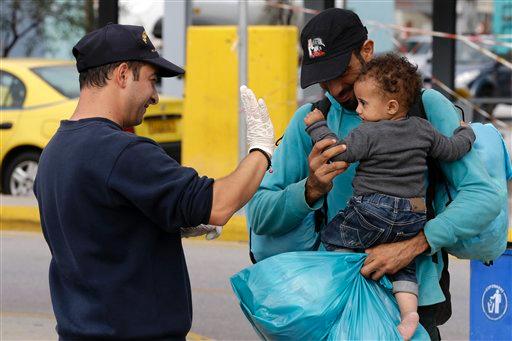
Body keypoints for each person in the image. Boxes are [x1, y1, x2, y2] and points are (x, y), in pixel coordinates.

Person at [246, 8, 500, 340]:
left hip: (412, 302)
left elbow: (484, 197)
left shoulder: (426, 108)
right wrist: (310, 190)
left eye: (342, 71)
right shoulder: (310, 121)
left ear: (367, 50)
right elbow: (260, 215)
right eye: (324, 77)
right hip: (336, 296)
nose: (335, 88)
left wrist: (413, 246)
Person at [34, 24, 275, 340]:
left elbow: (105, 227)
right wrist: (261, 150)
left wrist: (171, 220)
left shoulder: (55, 151)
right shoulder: (122, 151)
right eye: (151, 81)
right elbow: (219, 204)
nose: (155, 97)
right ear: (122, 75)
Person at [305, 53, 475, 340]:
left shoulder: (367, 133)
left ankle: (342, 285)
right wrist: (466, 134)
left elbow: (337, 153)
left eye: (364, 103)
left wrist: (316, 125)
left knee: (334, 238)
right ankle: (409, 314)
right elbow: (452, 149)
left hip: (373, 207)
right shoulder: (424, 129)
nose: (358, 110)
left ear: (392, 106)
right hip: (413, 215)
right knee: (404, 266)